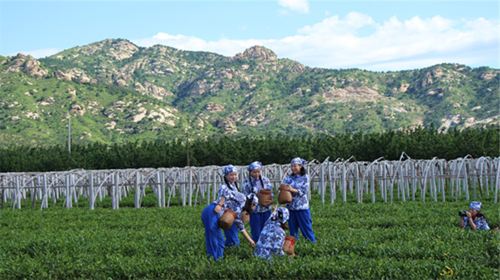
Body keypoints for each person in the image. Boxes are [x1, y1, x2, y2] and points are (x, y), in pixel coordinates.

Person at [201, 165, 257, 261]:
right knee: (217, 239)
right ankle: (215, 261)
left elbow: (241, 227)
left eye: (235, 174)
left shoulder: (239, 208)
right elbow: (224, 195)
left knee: (217, 239)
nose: (233, 177)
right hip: (213, 211)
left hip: (217, 213)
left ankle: (216, 259)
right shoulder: (240, 197)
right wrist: (220, 204)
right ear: (226, 176)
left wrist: (251, 241)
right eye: (231, 175)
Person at [281, 157, 316, 243]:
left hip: (302, 207)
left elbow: (304, 191)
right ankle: (292, 247)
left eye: (295, 166)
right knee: (292, 229)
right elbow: (283, 186)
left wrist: (292, 189)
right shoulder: (288, 178)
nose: (293, 168)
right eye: (292, 166)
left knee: (306, 227)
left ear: (300, 166)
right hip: (291, 207)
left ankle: (312, 243)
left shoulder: (305, 177)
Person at [243, 161, 274, 242]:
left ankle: (267, 245)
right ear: (250, 172)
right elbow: (245, 196)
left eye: (258, 172)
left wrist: (269, 199)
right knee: (256, 230)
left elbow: (271, 192)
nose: (257, 174)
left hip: (266, 209)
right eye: (254, 172)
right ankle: (257, 246)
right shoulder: (247, 183)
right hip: (255, 210)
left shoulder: (265, 180)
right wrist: (255, 195)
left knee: (267, 228)